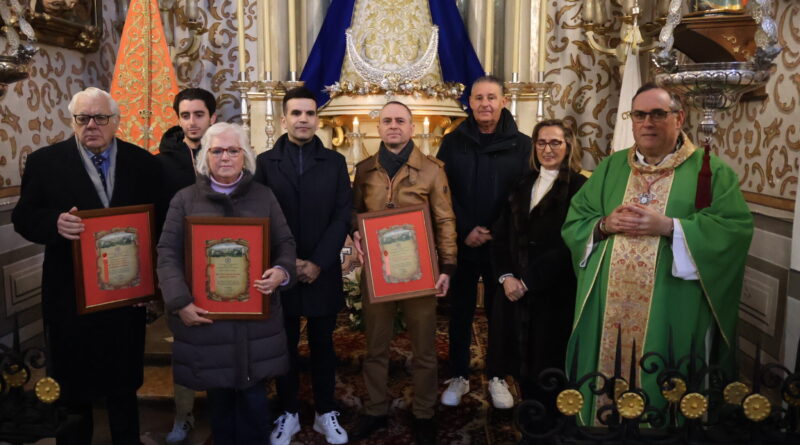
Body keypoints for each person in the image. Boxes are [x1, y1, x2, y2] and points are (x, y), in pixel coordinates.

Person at [561, 84, 753, 425]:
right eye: (639, 115)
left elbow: (732, 231)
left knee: (665, 380)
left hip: (672, 304)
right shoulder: (611, 167)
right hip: (611, 307)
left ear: (679, 118)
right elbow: (576, 220)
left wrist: (670, 227)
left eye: (657, 114)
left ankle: (664, 428)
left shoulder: (709, 170)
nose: (647, 123)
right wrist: (604, 224)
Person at [12, 87, 160, 444]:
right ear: (73, 121)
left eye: (100, 118)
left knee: (123, 384)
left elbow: (160, 223)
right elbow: (23, 217)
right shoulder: (45, 163)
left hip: (125, 294)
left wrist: (152, 282)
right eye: (83, 118)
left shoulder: (143, 163)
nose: (91, 125)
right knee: (72, 387)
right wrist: (54, 223)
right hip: (70, 294)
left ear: (116, 121)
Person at [156, 122, 296, 444]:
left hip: (256, 323)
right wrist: (180, 302)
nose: (225, 157)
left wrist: (281, 271)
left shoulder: (264, 196)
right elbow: (167, 254)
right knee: (219, 406)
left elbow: (285, 244)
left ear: (245, 155)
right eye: (217, 150)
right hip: (208, 322)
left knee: (255, 403)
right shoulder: (184, 200)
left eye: (233, 150)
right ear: (205, 156)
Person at [350, 101, 457, 445]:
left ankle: (424, 412)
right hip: (378, 272)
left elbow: (445, 219)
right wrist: (354, 232)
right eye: (387, 121)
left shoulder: (432, 170)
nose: (393, 126)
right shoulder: (365, 170)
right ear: (378, 128)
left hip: (420, 273)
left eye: (400, 120)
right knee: (375, 346)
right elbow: (353, 212)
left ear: (412, 127)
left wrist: (448, 265)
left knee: (424, 348)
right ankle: (375, 409)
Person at [253, 87, 351, 445]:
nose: (303, 120)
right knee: (286, 344)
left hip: (322, 269)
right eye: (296, 113)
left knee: (323, 343)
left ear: (317, 119)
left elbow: (342, 215)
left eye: (309, 113)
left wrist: (318, 263)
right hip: (282, 270)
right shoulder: (265, 163)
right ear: (284, 119)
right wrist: (287, 263)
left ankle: (325, 411)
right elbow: (258, 217)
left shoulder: (335, 162)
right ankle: (289, 412)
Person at [436, 76, 531, 409]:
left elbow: (522, 194)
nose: (485, 104)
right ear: (470, 103)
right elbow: (442, 190)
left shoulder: (523, 145)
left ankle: (497, 376)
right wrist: (466, 228)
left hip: (502, 244)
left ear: (503, 101)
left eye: (491, 97)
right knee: (459, 312)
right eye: (478, 98)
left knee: (499, 313)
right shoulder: (452, 142)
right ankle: (459, 374)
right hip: (463, 242)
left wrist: (493, 230)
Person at [491, 120, 586, 436]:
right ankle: (530, 425)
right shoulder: (521, 183)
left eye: (555, 142)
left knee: (549, 366)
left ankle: (552, 431)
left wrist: (528, 281)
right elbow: (501, 235)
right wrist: (506, 277)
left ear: (568, 146)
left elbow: (570, 244)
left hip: (553, 292)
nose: (548, 149)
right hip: (514, 291)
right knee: (522, 365)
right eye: (542, 142)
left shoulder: (579, 188)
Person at [155, 87, 217, 443]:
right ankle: (183, 415)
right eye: (185, 115)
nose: (192, 122)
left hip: (222, 264)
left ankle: (224, 410)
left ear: (212, 116)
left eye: (199, 115)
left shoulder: (228, 152)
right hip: (179, 268)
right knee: (184, 345)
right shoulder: (162, 163)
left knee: (222, 343)